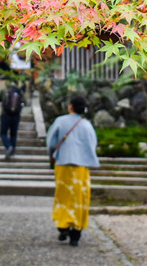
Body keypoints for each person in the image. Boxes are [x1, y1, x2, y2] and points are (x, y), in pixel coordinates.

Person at [46, 96, 99, 247]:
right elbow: (92, 144)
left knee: (63, 196)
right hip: (81, 167)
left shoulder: (60, 121)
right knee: (79, 197)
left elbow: (51, 142)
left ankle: (63, 227)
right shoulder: (87, 125)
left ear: (70, 107)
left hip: (63, 163)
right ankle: (76, 233)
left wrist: (51, 155)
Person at [0, 83, 25, 159]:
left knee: (3, 133)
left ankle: (8, 146)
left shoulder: (4, 90)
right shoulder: (19, 91)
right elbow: (25, 102)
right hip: (16, 115)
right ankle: (13, 151)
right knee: (13, 134)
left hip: (5, 114)